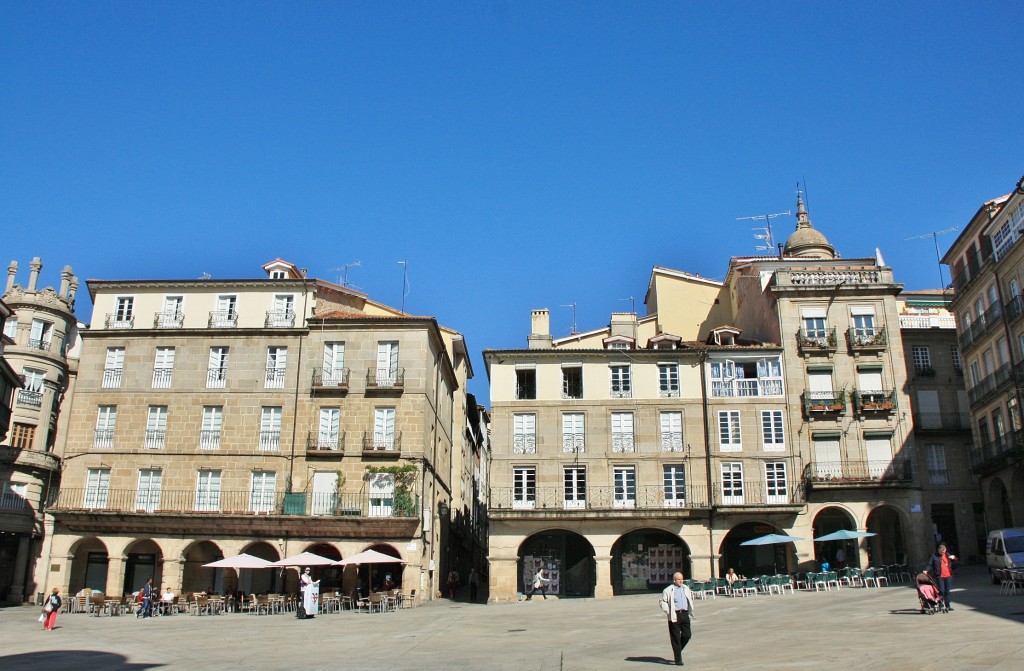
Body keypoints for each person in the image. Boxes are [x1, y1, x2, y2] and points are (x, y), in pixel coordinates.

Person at [659, 572, 696, 666]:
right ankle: (678, 659)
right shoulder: (668, 590)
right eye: (679, 579)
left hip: (684, 614)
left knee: (687, 635)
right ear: (674, 580)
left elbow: (689, 598)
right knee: (675, 638)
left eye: (682, 579)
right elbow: (662, 601)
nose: (681, 581)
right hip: (674, 615)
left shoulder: (685, 588)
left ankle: (678, 650)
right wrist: (667, 610)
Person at [927, 543, 957, 611]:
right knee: (941, 591)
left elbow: (955, 559)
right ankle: (941, 604)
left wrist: (954, 557)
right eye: (941, 552)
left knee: (947, 591)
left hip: (948, 576)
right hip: (940, 576)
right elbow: (930, 564)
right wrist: (926, 570)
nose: (943, 553)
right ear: (938, 550)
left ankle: (948, 605)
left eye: (944, 551)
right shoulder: (934, 556)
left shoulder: (947, 554)